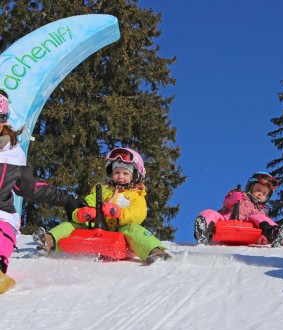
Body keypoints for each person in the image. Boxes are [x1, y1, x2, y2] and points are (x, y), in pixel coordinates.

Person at [0, 90, 85, 293]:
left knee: (2, 231)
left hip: (1, 214)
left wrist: (66, 199)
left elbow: (30, 189)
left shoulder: (12, 156)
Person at [33, 147, 172, 265]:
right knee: (71, 225)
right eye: (116, 172)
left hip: (121, 232)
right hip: (97, 229)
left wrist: (119, 214)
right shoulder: (102, 189)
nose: (120, 176)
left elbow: (139, 213)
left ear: (135, 176)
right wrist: (83, 213)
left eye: (125, 173)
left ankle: (155, 250)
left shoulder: (136, 194)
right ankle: (49, 241)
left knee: (134, 229)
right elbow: (86, 204)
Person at [194, 171, 283, 247]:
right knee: (209, 212)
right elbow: (227, 202)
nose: (260, 194)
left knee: (261, 218)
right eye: (258, 190)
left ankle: (275, 235)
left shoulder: (262, 212)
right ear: (250, 188)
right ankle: (204, 231)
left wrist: (279, 242)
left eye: (264, 193)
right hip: (227, 222)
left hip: (249, 231)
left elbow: (263, 227)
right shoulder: (241, 196)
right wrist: (234, 196)